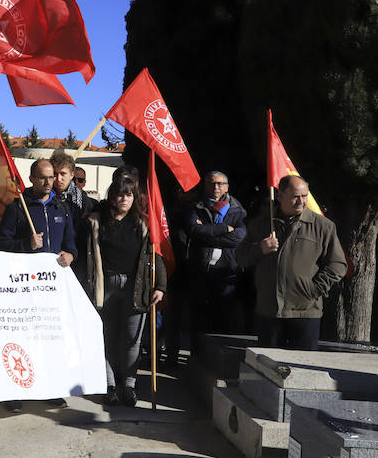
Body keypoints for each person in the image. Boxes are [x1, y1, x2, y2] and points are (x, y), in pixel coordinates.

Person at [0, 159, 76, 412]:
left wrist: (70, 255)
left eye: (51, 177)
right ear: (31, 178)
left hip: (51, 288)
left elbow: (72, 242)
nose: (49, 182)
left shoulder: (61, 207)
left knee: (48, 339)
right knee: (21, 339)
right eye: (43, 177)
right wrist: (26, 245)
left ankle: (48, 388)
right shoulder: (18, 208)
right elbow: (2, 245)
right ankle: (15, 390)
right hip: (23, 287)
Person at [79, 176, 166, 407]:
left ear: (134, 197)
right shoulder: (97, 221)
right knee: (105, 336)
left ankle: (128, 386)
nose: (124, 199)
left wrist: (160, 286)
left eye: (128, 195)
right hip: (104, 285)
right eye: (119, 194)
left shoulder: (144, 223)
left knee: (132, 339)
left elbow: (155, 257)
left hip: (135, 286)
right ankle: (109, 386)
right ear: (112, 197)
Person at [236, 175, 346, 351]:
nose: (301, 201)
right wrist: (259, 249)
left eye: (304, 196)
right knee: (266, 370)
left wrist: (313, 289)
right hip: (269, 311)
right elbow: (240, 258)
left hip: (305, 311)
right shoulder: (261, 224)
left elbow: (338, 265)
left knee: (303, 370)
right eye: (295, 196)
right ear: (280, 196)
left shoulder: (323, 226)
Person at [182, 171, 247, 351]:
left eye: (220, 184)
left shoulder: (238, 209)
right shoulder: (196, 207)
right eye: (211, 184)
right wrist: (225, 228)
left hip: (227, 271)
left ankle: (219, 359)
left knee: (223, 316)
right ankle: (197, 356)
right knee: (199, 316)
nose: (215, 187)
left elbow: (240, 237)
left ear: (227, 187)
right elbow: (195, 231)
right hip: (201, 269)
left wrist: (208, 234)